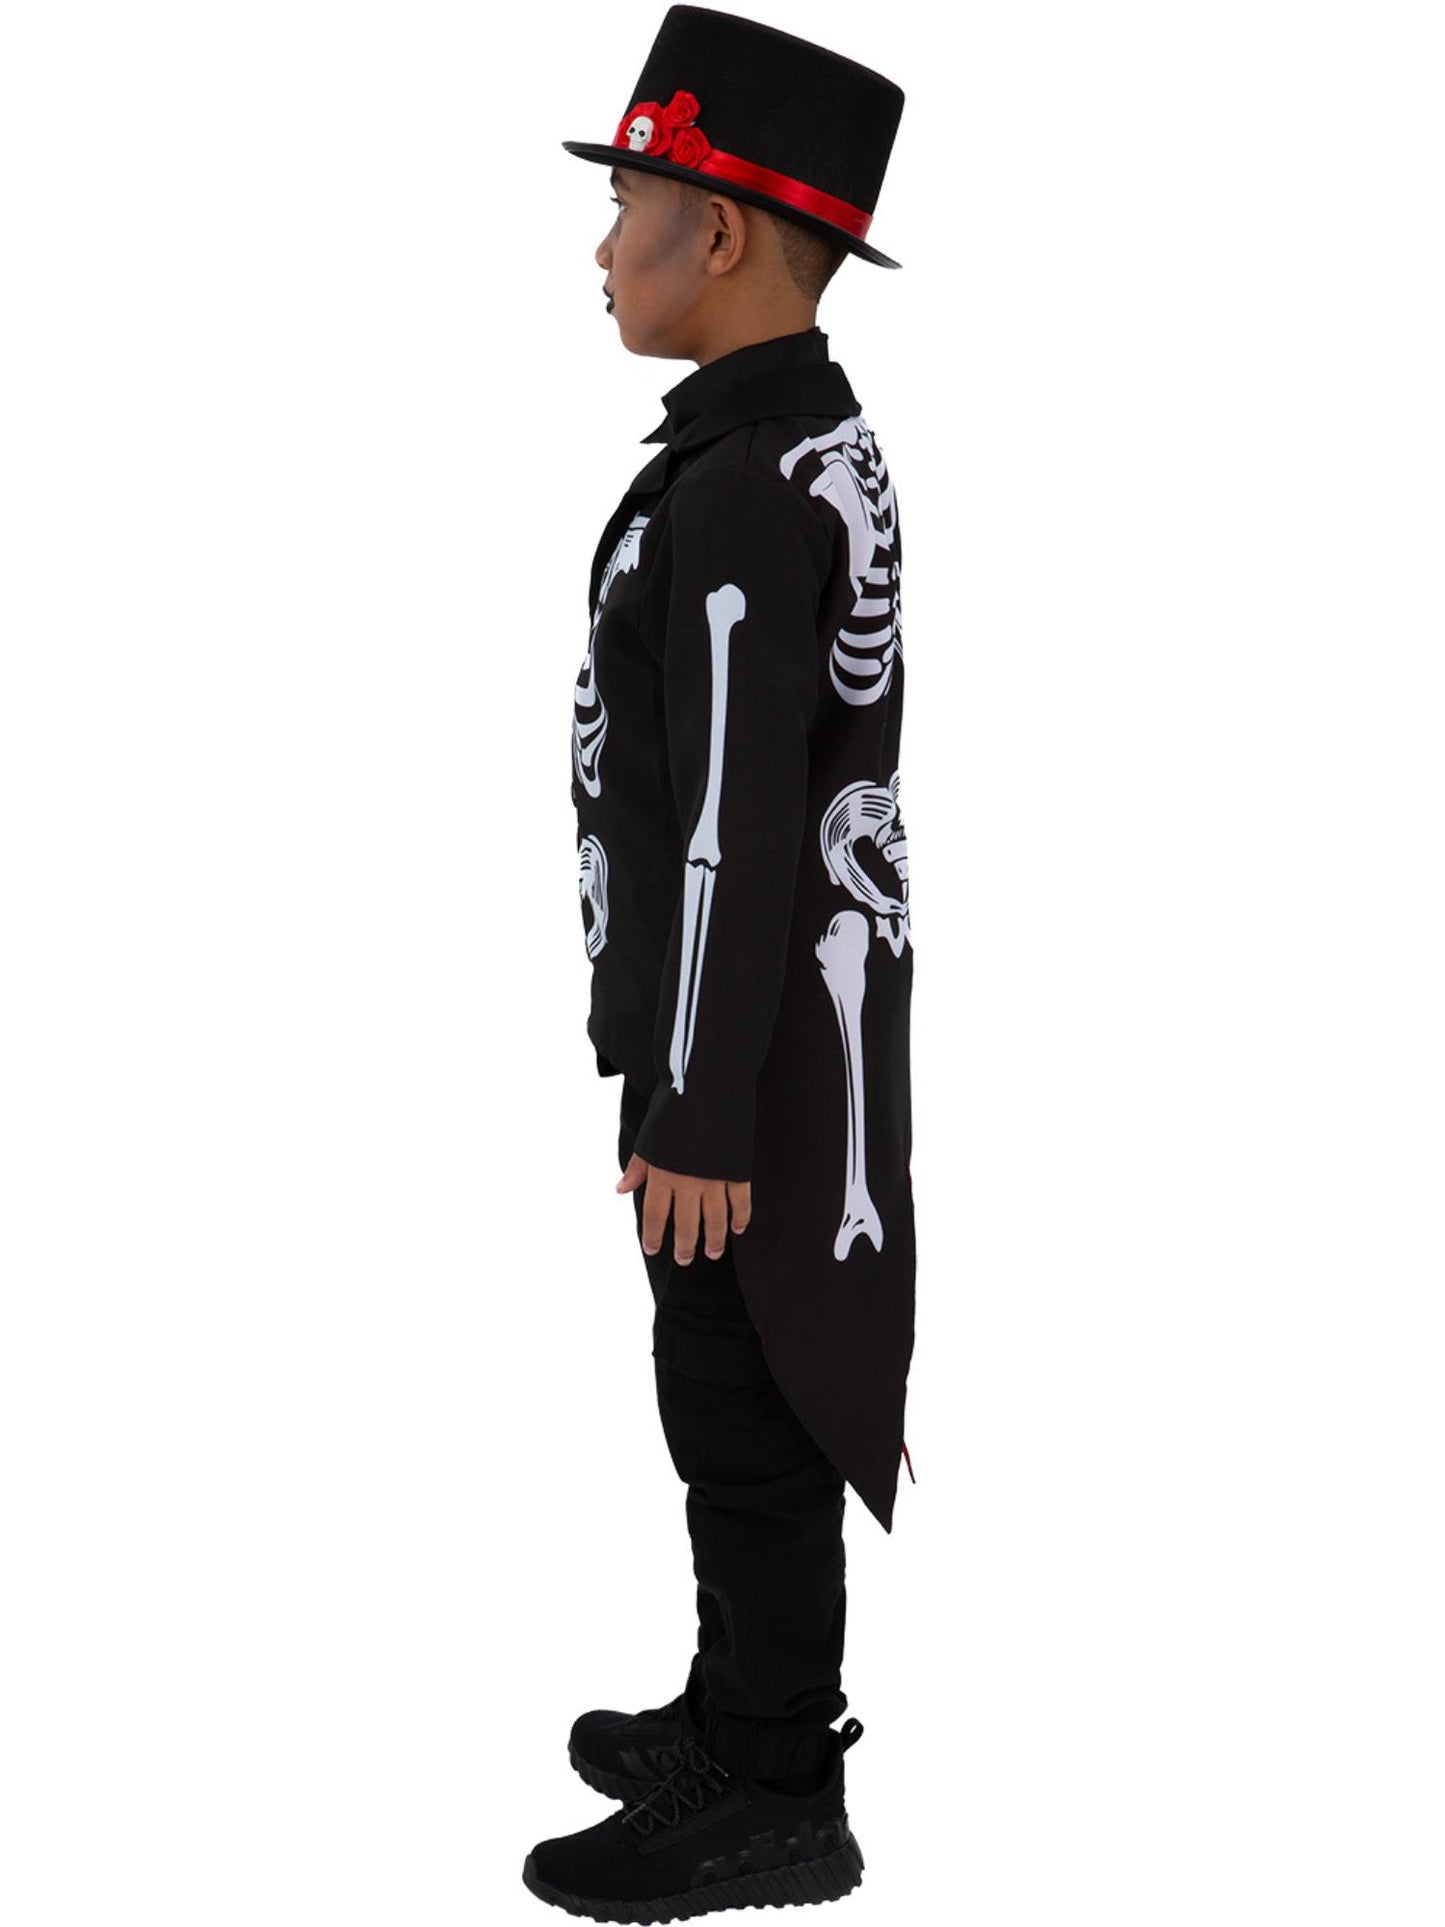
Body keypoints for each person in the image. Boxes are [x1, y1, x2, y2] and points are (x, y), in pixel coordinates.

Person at [524, 8, 915, 1917]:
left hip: (742, 1060)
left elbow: (737, 822)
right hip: (736, 1030)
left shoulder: (754, 482)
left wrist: (695, 1104)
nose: (603, 247)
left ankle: (775, 1789)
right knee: (720, 1388)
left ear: (725, 232)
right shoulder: (770, 446)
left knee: (745, 1404)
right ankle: (734, 1696)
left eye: (632, 208)